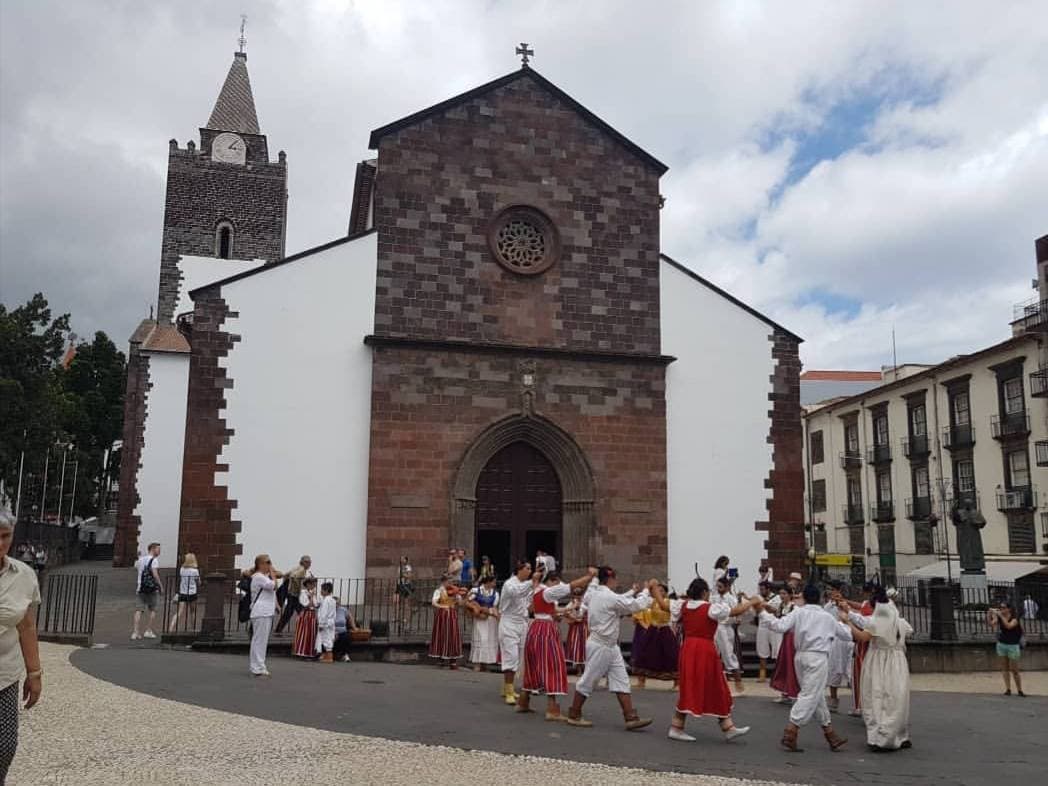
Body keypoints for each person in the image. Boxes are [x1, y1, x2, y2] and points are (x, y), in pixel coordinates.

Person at [758, 584, 850, 753]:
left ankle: (830, 733)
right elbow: (847, 634)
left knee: (815, 695)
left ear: (805, 598)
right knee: (809, 694)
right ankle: (791, 730)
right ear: (821, 598)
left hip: (800, 656)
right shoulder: (827, 617)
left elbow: (779, 626)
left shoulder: (798, 612)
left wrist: (762, 613)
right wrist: (847, 619)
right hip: (818, 657)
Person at [666, 577, 757, 742]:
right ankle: (677, 727)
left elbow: (665, 605)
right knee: (712, 685)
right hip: (704, 649)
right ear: (704, 593)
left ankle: (727, 726)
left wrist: (653, 590)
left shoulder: (683, 605)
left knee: (702, 685)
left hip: (689, 648)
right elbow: (734, 612)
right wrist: (752, 602)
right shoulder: (709, 608)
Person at [565, 567, 655, 731]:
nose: (616, 582)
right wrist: (646, 590)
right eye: (615, 579)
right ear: (610, 579)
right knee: (589, 679)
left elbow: (620, 600)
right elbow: (634, 605)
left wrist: (593, 577)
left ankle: (630, 717)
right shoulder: (608, 596)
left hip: (608, 644)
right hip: (602, 644)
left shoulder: (594, 593)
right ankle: (574, 714)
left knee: (621, 679)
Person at [839, 587, 913, 751]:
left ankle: (881, 737)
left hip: (879, 659)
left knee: (877, 696)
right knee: (897, 697)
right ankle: (901, 735)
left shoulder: (876, 621)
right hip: (898, 661)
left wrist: (847, 622)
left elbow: (863, 636)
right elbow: (909, 631)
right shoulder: (899, 621)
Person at [517, 568, 596, 719]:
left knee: (533, 664)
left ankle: (523, 701)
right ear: (552, 581)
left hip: (535, 628)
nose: (558, 585)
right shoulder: (548, 592)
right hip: (546, 629)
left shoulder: (536, 589)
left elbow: (542, 609)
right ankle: (552, 708)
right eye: (557, 582)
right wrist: (590, 576)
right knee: (552, 664)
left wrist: (563, 611)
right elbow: (571, 586)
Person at [1, 512, 43, 783]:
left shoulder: (24, 575)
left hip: (4, 674)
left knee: (4, 747)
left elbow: (26, 627)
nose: (0, 543)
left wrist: (35, 673)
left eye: (5, 536)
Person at [498, 560, 537, 704]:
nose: (530, 571)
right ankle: (509, 691)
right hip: (509, 622)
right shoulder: (509, 584)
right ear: (519, 570)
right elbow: (516, 592)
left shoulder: (528, 586)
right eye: (528, 568)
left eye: (531, 568)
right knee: (511, 656)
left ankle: (507, 687)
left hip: (522, 622)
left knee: (519, 656)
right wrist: (532, 581)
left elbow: (528, 606)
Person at [631, 583, 680, 686]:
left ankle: (677, 683)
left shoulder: (670, 602)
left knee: (671, 655)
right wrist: (646, 588)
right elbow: (640, 602)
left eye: (661, 590)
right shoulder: (651, 601)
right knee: (643, 653)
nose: (659, 592)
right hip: (652, 630)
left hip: (665, 630)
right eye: (658, 590)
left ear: (666, 593)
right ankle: (641, 681)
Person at [246, 554, 282, 676]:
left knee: (262, 640)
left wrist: (276, 605)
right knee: (259, 640)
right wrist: (273, 573)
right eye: (268, 562)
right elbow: (274, 586)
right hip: (261, 611)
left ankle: (260, 665)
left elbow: (271, 592)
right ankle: (257, 667)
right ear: (260, 564)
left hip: (266, 611)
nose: (270, 565)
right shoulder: (258, 577)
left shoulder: (263, 577)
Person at [845, 580, 876, 716]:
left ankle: (862, 707)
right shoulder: (871, 605)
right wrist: (846, 602)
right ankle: (863, 706)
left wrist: (848, 615)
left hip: (865, 642)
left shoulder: (874, 608)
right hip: (866, 644)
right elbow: (859, 605)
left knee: (860, 675)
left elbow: (863, 622)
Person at [824, 585, 854, 713]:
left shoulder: (847, 606)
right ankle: (833, 700)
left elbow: (853, 619)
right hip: (834, 641)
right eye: (832, 592)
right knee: (834, 669)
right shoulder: (827, 607)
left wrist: (843, 606)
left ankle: (857, 704)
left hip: (848, 639)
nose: (834, 595)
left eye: (836, 593)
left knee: (851, 671)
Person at [712, 574, 744, 693]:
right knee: (714, 654)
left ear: (726, 587)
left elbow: (738, 614)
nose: (718, 589)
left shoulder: (731, 599)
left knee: (728, 654)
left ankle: (738, 683)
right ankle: (716, 683)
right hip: (715, 628)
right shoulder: (714, 597)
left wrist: (735, 620)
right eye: (717, 586)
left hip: (726, 628)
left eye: (720, 587)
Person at [770, 585, 800, 703]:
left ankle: (794, 692)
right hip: (785, 637)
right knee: (784, 664)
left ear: (790, 595)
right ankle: (785, 692)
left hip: (792, 638)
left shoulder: (794, 608)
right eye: (780, 594)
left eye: (784, 594)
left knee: (791, 665)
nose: (782, 596)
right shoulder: (781, 607)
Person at [988, 603, 1025, 696]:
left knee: (1015, 670)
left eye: (1003, 608)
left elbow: (1009, 626)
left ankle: (1019, 690)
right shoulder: (1000, 617)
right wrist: (989, 615)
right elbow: (992, 624)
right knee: (1004, 668)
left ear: (1009, 609)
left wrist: (1000, 615)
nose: (1001, 609)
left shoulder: (1015, 618)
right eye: (1000, 608)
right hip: (1002, 644)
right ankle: (1008, 689)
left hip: (1013, 645)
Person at [429, 574, 464, 668]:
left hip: (452, 615)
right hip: (442, 616)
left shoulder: (454, 591)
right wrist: (444, 606)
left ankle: (453, 661)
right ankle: (441, 659)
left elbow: (460, 603)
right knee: (441, 635)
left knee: (453, 636)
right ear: (443, 581)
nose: (451, 583)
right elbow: (434, 602)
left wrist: (458, 598)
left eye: (452, 582)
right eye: (449, 581)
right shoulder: (439, 591)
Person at [467, 574, 500, 671]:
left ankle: (485, 664)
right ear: (488, 582)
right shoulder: (476, 591)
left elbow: (494, 607)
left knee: (488, 640)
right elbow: (467, 601)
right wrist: (475, 608)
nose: (494, 584)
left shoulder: (495, 593)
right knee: (480, 639)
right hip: (479, 619)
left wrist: (495, 615)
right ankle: (477, 664)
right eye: (493, 582)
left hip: (489, 619)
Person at [131, 542, 162, 640]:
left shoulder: (141, 560)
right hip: (152, 588)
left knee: (138, 610)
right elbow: (155, 574)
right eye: (158, 549)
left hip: (141, 587)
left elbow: (139, 571)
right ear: (152, 549)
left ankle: (135, 632)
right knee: (153, 609)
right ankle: (148, 630)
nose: (159, 551)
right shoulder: (154, 560)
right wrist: (160, 586)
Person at [275, 555, 313, 634]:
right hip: (294, 594)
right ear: (304, 562)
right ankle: (308, 630)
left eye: (310, 563)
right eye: (308, 562)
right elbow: (294, 576)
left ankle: (279, 629)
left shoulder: (297, 567)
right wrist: (300, 588)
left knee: (291, 612)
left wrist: (289, 586)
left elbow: (286, 575)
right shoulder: (302, 569)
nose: (309, 564)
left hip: (292, 594)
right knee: (302, 611)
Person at [754, 581, 782, 683]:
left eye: (763, 589)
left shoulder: (777, 598)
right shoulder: (758, 598)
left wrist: (766, 605)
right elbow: (756, 612)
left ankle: (778, 674)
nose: (761, 591)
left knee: (777, 650)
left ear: (768, 589)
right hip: (762, 626)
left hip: (774, 626)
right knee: (762, 649)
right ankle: (762, 674)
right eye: (760, 589)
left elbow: (777, 611)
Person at [168, 552, 200, 632]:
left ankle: (171, 627)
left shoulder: (182, 569)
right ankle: (193, 628)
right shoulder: (195, 571)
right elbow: (198, 582)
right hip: (192, 593)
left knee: (179, 612)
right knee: (192, 611)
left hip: (183, 592)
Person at [563, 587, 588, 674]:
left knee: (585, 647)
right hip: (575, 627)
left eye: (579, 595)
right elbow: (565, 613)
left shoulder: (585, 603)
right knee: (576, 647)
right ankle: (578, 669)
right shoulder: (571, 604)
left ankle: (585, 668)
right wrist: (574, 618)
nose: (577, 597)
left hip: (584, 627)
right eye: (576, 594)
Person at [293, 577, 319, 658]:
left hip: (312, 615)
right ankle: (302, 652)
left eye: (314, 584)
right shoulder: (303, 592)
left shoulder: (312, 593)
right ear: (308, 584)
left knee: (311, 634)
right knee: (304, 634)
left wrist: (313, 597)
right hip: (305, 615)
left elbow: (316, 605)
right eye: (312, 584)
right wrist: (311, 597)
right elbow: (307, 605)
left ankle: (310, 653)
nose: (314, 586)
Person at [315, 581, 337, 663]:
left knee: (325, 638)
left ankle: (329, 657)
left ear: (326, 590)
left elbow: (324, 613)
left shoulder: (326, 600)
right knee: (329, 637)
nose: (321, 591)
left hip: (325, 622)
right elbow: (334, 613)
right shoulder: (333, 600)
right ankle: (327, 655)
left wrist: (321, 624)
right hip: (331, 621)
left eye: (322, 590)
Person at [333, 598, 359, 662]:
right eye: (335, 603)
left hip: (342, 631)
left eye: (338, 603)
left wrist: (354, 627)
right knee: (333, 638)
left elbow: (350, 618)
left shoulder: (343, 610)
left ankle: (344, 655)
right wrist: (334, 632)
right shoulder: (329, 610)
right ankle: (333, 655)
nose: (337, 605)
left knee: (346, 637)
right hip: (332, 631)